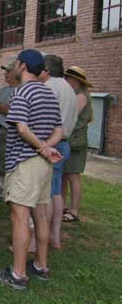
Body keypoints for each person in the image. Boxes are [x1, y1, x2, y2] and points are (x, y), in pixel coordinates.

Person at [0, 49, 63, 291]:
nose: (13, 68)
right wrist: (47, 149)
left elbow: (21, 127)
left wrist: (40, 147)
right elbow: (59, 130)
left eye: (16, 64)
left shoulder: (21, 92)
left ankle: (17, 274)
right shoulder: (49, 93)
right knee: (40, 214)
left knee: (19, 217)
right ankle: (40, 265)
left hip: (25, 163)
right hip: (43, 166)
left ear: (23, 66)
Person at [36, 55, 78, 249]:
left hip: (51, 144)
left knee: (46, 193)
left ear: (46, 69)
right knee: (56, 191)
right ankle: (55, 235)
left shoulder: (50, 87)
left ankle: (40, 238)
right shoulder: (68, 88)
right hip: (64, 143)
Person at [62, 66, 93, 223]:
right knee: (64, 175)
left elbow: (70, 115)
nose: (66, 80)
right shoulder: (76, 94)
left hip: (76, 142)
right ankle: (62, 206)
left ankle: (74, 210)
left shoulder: (81, 96)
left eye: (68, 78)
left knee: (73, 176)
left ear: (76, 80)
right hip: (70, 140)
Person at [0, 62, 21, 200]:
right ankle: (1, 185)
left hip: (10, 131)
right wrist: (3, 108)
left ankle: (7, 190)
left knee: (7, 160)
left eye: (8, 71)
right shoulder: (2, 90)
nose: (5, 74)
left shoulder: (21, 90)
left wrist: (3, 109)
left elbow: (16, 112)